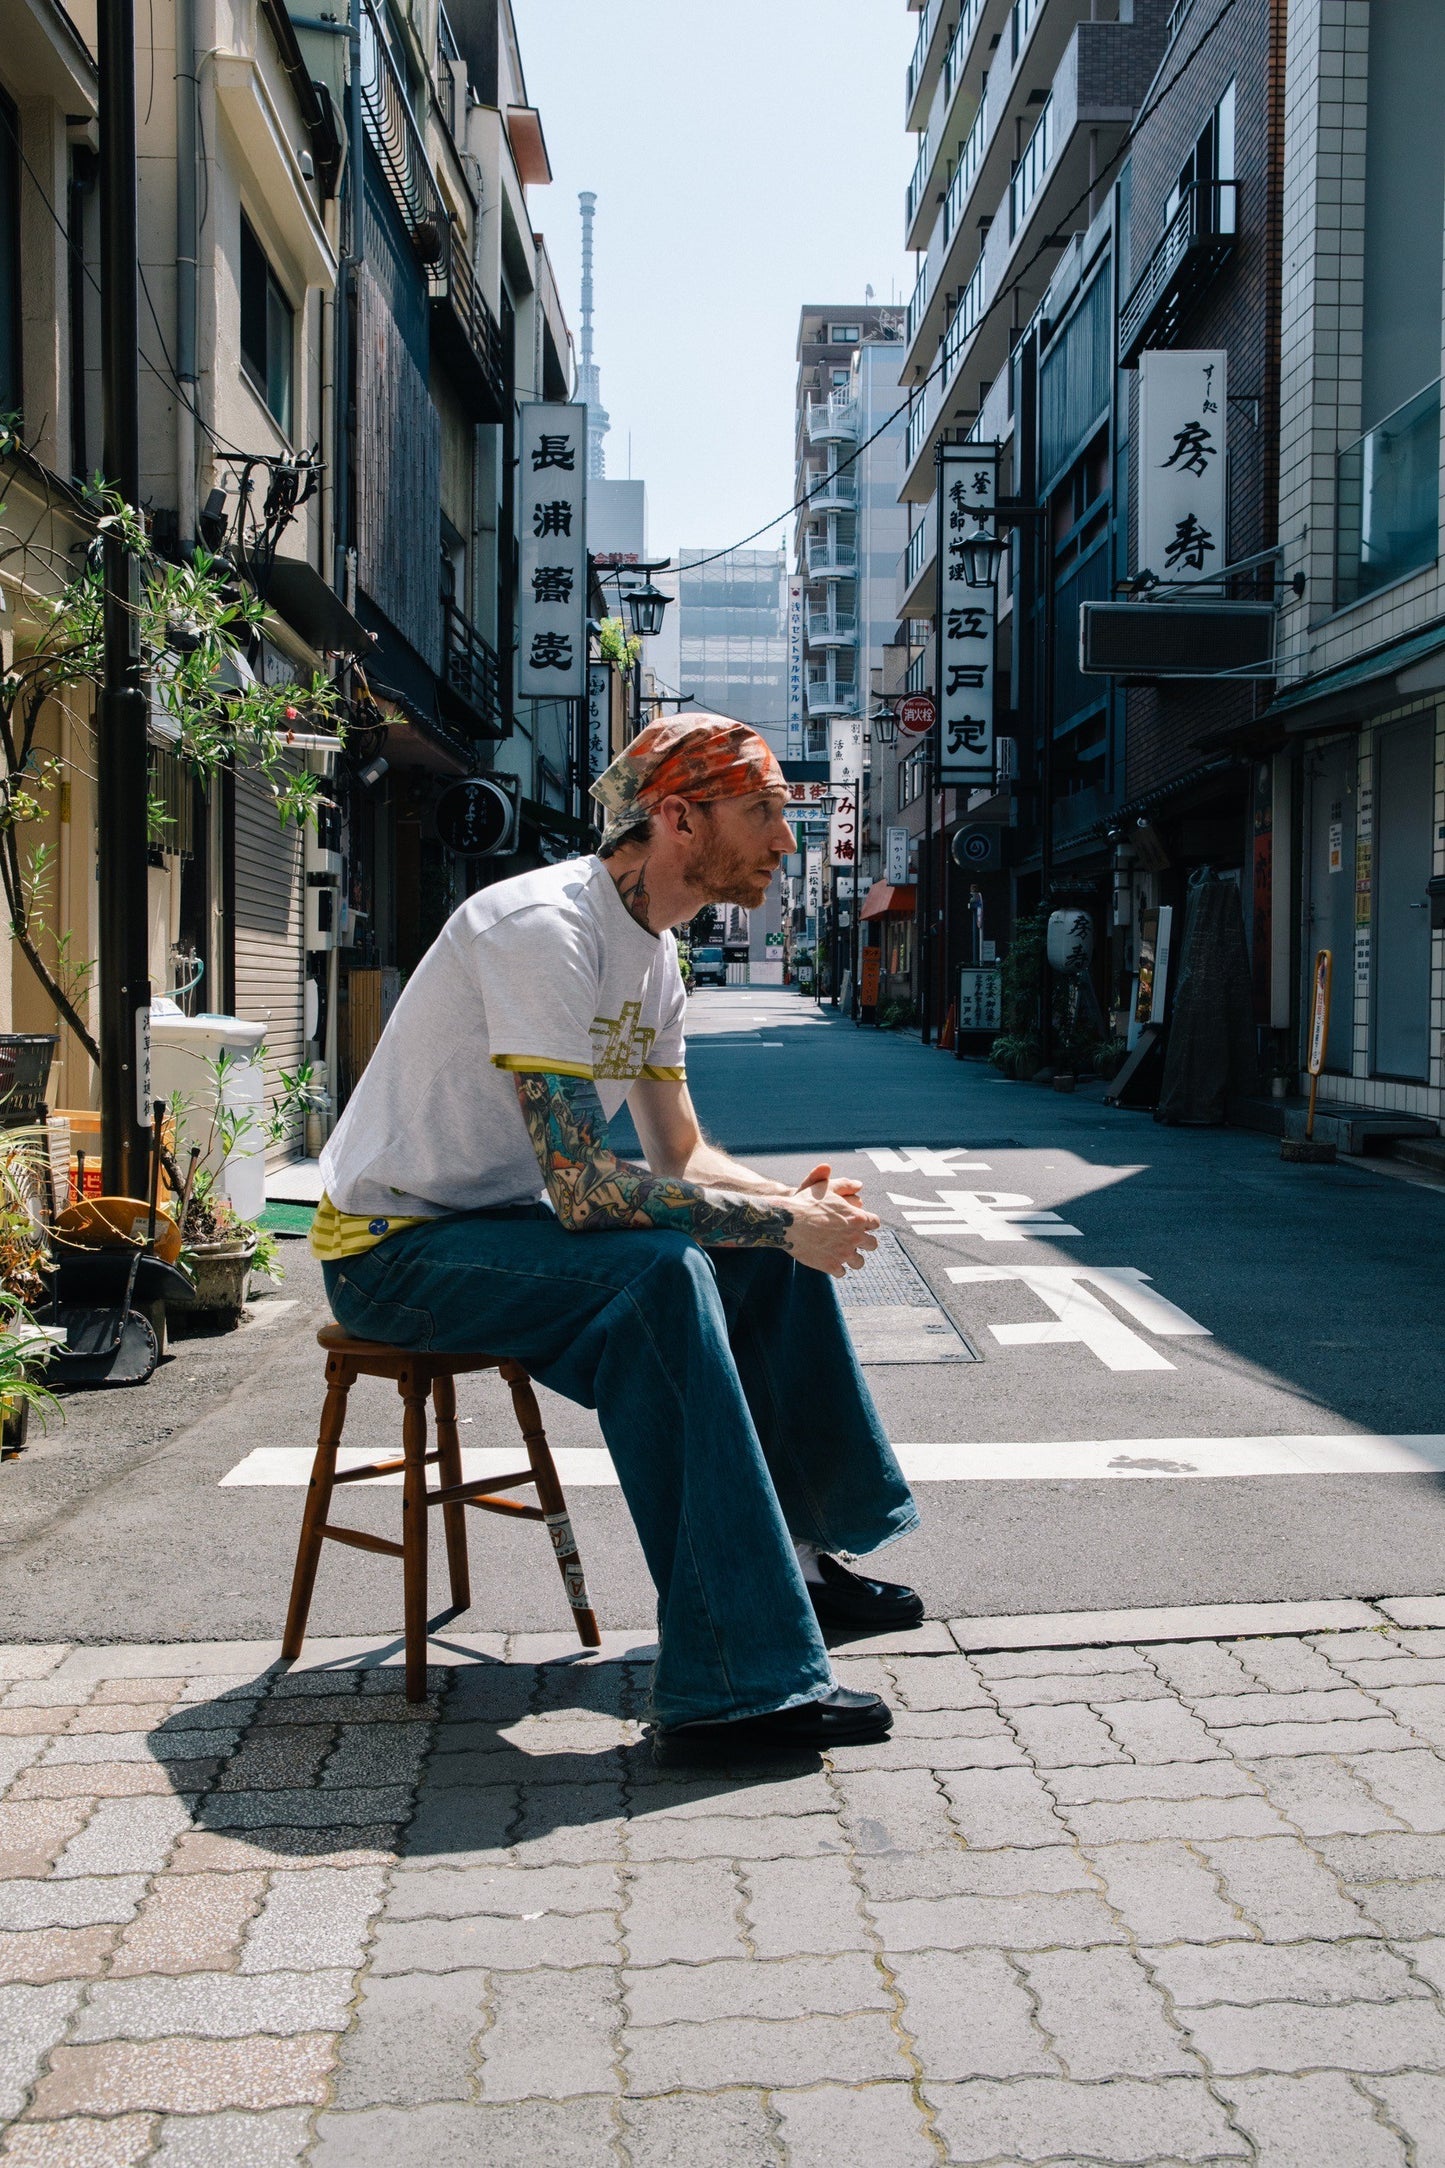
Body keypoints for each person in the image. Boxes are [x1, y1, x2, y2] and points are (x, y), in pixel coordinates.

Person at [311, 714, 921, 1761]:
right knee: (662, 1276)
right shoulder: (544, 929)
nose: (785, 840)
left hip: (500, 1229)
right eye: (763, 813)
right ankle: (736, 1684)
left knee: (757, 1254)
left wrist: (789, 1205)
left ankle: (802, 1568)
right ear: (679, 816)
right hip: (391, 1249)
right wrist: (782, 1218)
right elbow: (587, 1191)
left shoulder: (655, 954)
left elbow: (681, 1154)